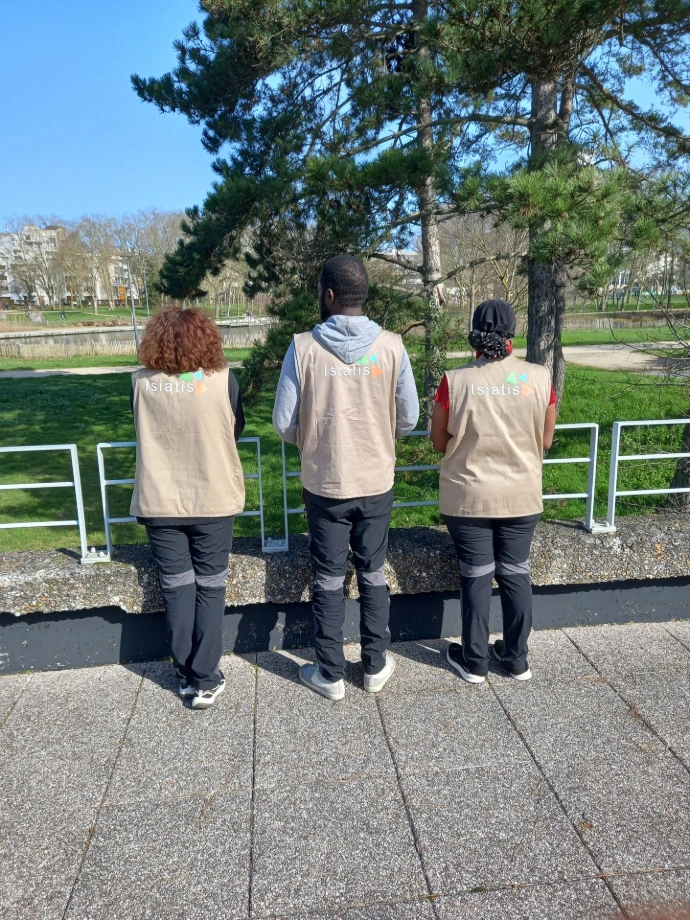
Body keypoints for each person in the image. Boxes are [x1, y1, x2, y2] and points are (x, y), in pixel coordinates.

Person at [273, 255, 420, 701]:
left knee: (328, 577)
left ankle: (330, 673)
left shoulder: (302, 348)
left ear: (330, 295)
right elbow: (409, 417)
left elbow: (283, 422)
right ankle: (374, 665)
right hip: (376, 480)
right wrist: (378, 435)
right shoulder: (392, 347)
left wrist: (314, 440)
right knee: (372, 572)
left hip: (325, 483)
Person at [430, 299, 557, 683]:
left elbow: (438, 442)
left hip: (468, 497)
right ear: (513, 334)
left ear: (474, 333)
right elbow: (546, 440)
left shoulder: (454, 381)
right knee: (516, 573)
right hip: (521, 495)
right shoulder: (539, 378)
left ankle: (475, 662)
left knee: (477, 574)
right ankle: (517, 660)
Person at [130, 307, 246, 709]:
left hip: (161, 502)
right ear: (207, 340)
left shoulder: (140, 383)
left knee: (176, 589)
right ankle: (206, 678)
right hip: (213, 499)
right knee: (211, 589)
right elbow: (236, 427)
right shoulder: (223, 380)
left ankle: (185, 675)